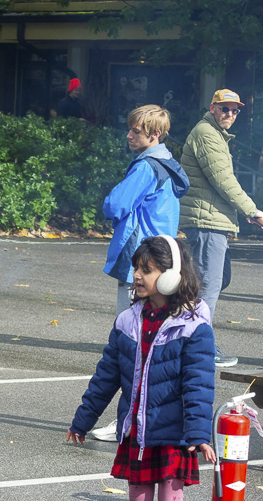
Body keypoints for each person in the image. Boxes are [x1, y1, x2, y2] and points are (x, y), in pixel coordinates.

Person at [67, 236, 216, 501]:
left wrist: (198, 433)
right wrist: (82, 420)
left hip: (173, 432)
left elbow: (199, 384)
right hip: (137, 431)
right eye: (137, 268)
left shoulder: (193, 325)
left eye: (146, 270)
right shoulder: (128, 321)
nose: (136, 275)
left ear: (172, 275)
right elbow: (106, 377)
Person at [89, 105, 190, 443]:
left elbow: (115, 205)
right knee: (151, 342)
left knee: (132, 344)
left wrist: (110, 203)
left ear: (154, 135)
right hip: (161, 260)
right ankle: (143, 418)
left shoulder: (146, 167)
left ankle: (127, 421)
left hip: (141, 262)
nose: (129, 135)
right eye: (130, 128)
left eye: (135, 131)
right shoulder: (167, 166)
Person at [178, 89, 263, 368]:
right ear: (212, 108)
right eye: (224, 108)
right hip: (205, 222)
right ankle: (198, 346)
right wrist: (252, 210)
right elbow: (223, 179)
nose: (230, 114)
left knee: (215, 281)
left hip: (213, 220)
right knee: (208, 286)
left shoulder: (215, 134)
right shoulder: (206, 133)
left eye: (235, 110)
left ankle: (186, 336)